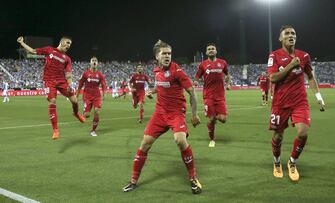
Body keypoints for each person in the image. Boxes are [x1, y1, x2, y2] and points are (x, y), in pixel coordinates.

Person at [123, 40, 202, 194]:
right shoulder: (155, 71)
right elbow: (162, 85)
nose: (167, 56)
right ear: (157, 57)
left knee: (180, 140)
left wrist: (194, 114)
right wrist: (153, 91)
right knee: (145, 143)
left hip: (176, 113)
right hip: (160, 114)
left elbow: (192, 91)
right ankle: (133, 181)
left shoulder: (177, 71)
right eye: (164, 53)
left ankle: (193, 178)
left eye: (169, 53)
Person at [267, 25, 325, 181]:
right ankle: (277, 161)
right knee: (278, 137)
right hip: (280, 103)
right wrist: (291, 65)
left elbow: (310, 77)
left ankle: (292, 162)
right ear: (280, 38)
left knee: (303, 132)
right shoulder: (274, 56)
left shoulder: (304, 55)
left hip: (300, 101)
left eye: (293, 33)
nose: (291, 35)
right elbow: (272, 78)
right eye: (287, 33)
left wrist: (319, 97)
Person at [17, 36, 85, 140]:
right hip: (49, 81)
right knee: (52, 101)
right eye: (67, 43)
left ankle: (76, 113)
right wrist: (22, 43)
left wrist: (70, 85)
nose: (68, 45)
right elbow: (33, 51)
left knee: (75, 101)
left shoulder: (67, 59)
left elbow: (68, 73)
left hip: (62, 81)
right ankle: (56, 130)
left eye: (70, 44)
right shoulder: (50, 50)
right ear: (61, 42)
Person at [194, 43, 231, 148]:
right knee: (211, 119)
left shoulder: (222, 62)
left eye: (212, 49)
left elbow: (228, 75)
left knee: (223, 119)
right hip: (208, 95)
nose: (211, 50)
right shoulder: (203, 64)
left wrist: (228, 84)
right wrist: (196, 82)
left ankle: (213, 118)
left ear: (216, 51)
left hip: (220, 96)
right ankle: (212, 139)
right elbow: (197, 76)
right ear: (206, 52)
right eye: (209, 49)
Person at [76, 57, 107, 137]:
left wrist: (104, 94)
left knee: (97, 112)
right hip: (87, 96)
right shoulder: (86, 73)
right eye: (93, 61)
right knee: (86, 115)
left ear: (97, 63)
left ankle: (93, 130)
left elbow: (103, 85)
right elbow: (80, 84)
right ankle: (84, 112)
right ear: (90, 63)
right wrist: (77, 95)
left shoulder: (100, 74)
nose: (94, 62)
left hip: (97, 96)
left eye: (95, 61)